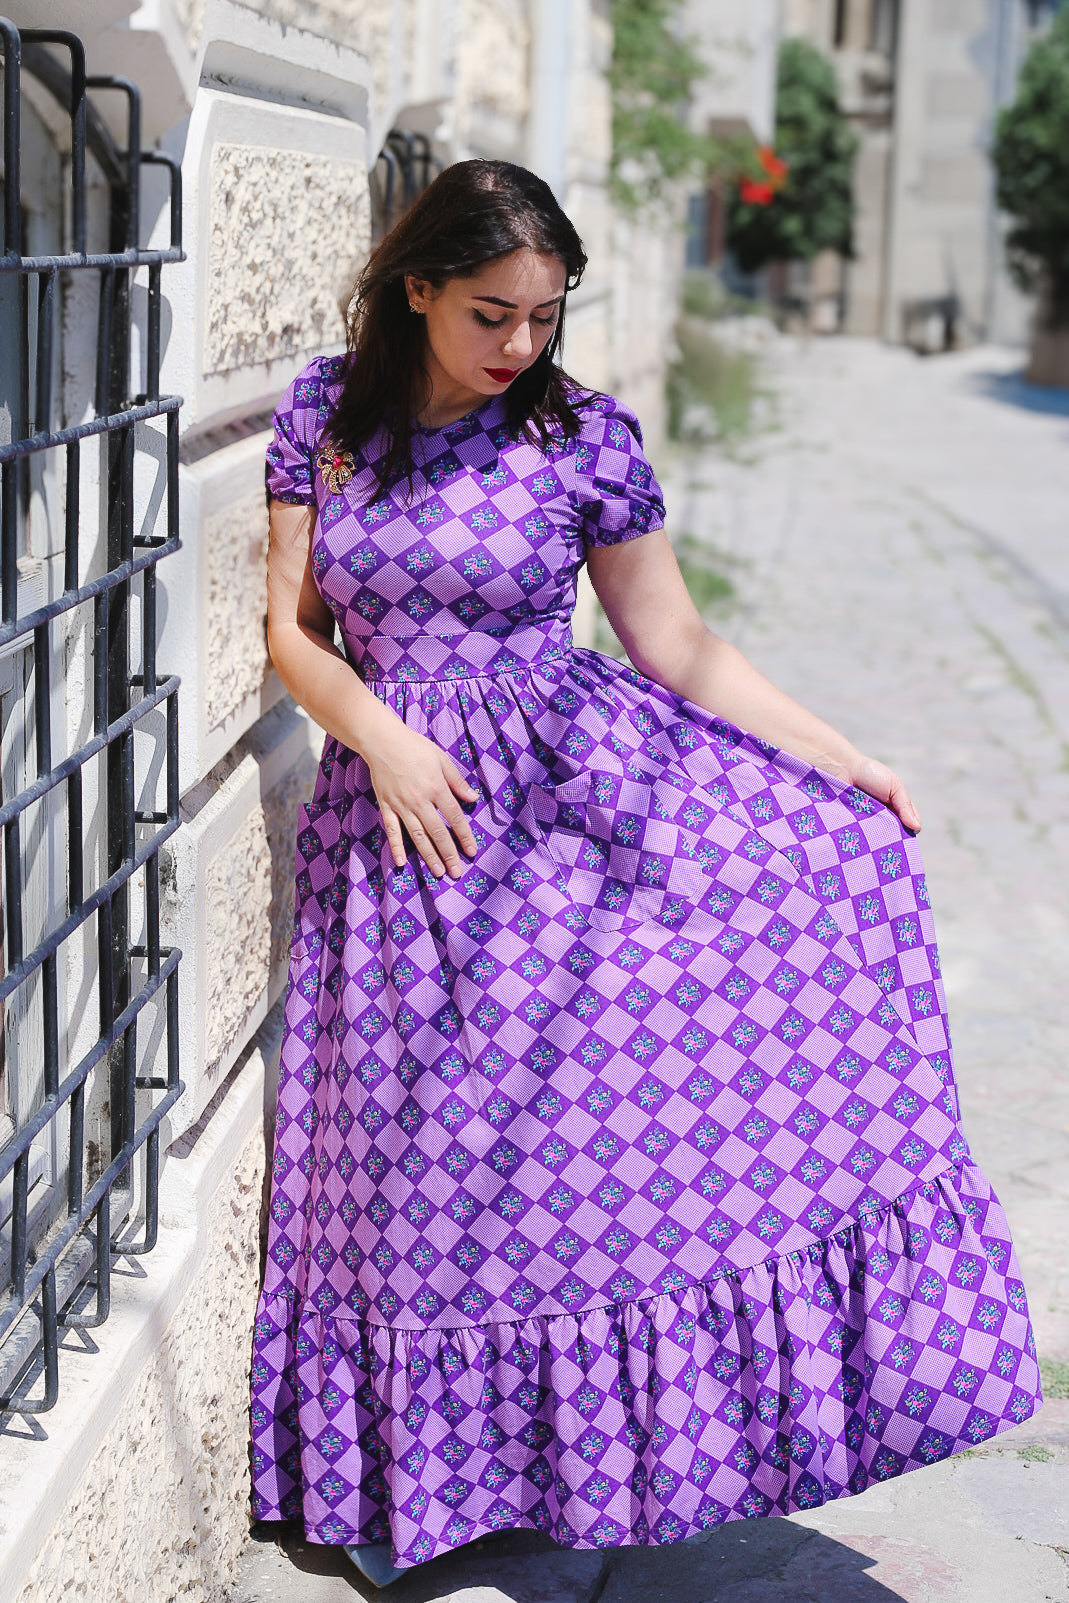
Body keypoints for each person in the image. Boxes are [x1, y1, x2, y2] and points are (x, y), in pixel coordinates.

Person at [250, 160, 1040, 1586]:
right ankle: (436, 1493)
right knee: (424, 1170)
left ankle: (588, 1479)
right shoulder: (327, 413)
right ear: (414, 287)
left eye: (545, 317)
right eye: (492, 313)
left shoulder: (581, 440)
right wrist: (380, 738)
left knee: (574, 1167)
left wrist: (843, 761)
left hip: (564, 818)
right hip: (398, 832)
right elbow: (290, 629)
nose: (518, 346)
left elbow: (677, 646)